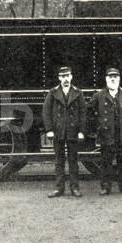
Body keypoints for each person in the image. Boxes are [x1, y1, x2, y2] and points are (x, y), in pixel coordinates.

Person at [89, 67, 122, 195]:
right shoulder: (98, 96)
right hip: (106, 134)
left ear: (119, 79)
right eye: (110, 77)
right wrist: (98, 128)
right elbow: (89, 114)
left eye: (115, 77)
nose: (113, 79)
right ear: (106, 79)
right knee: (106, 162)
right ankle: (105, 187)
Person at [42, 66, 85, 198]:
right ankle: (59, 188)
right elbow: (46, 112)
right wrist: (49, 130)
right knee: (59, 161)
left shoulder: (78, 93)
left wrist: (81, 131)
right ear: (59, 78)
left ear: (71, 77)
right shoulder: (53, 92)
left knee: (73, 161)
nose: (65, 79)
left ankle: (75, 188)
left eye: (67, 76)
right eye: (63, 76)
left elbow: (83, 113)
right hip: (58, 131)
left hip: (72, 131)